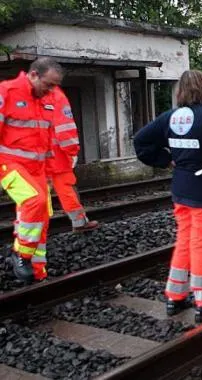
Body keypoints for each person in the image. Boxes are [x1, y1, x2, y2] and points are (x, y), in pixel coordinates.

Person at [133, 70, 202, 323]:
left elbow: (141, 141)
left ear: (180, 91)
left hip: (181, 190)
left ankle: (175, 297)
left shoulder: (170, 118)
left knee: (185, 240)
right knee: (199, 244)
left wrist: (165, 160)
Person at [0, 57, 70, 284]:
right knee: (34, 202)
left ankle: (37, 271)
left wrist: (49, 172)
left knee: (42, 216)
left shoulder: (47, 99)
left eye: (54, 86)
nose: (51, 90)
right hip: (9, 164)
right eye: (48, 85)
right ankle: (22, 255)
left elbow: (47, 140)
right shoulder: (6, 92)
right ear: (33, 75)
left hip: (38, 169)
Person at [46, 86, 99, 233]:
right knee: (66, 188)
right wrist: (72, 151)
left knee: (36, 194)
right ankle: (79, 222)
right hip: (57, 157)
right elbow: (65, 128)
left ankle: (34, 230)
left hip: (35, 156)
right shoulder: (56, 96)